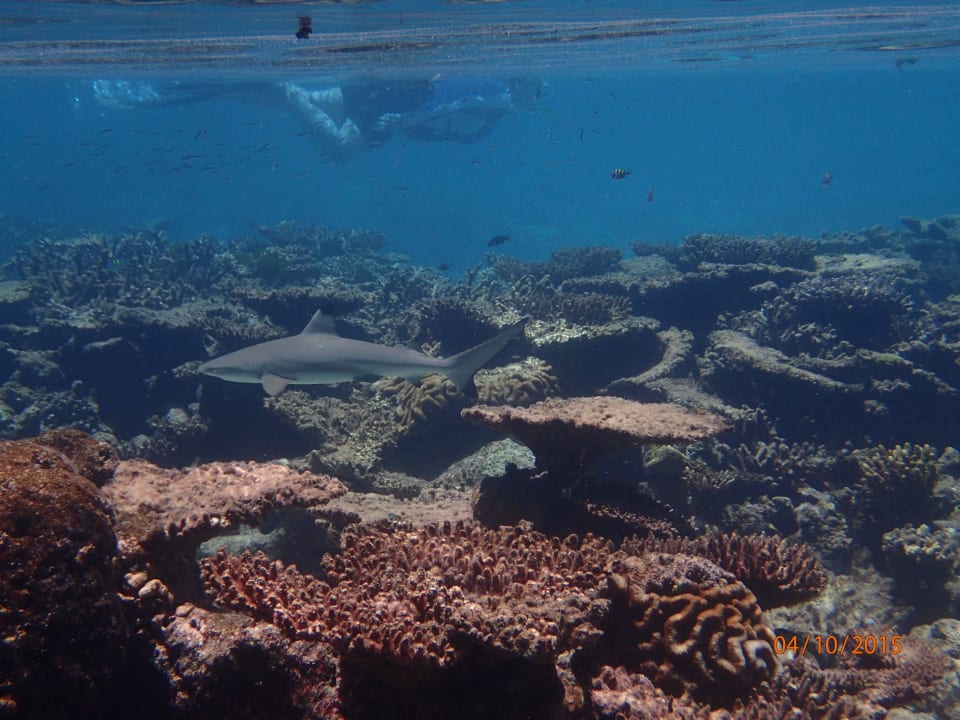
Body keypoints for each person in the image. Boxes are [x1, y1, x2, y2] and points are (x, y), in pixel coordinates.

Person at [90, 75, 545, 160]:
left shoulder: (495, 91)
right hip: (387, 108)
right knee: (341, 153)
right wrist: (403, 123)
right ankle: (286, 94)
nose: (535, 99)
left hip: (374, 92)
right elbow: (450, 103)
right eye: (536, 91)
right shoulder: (501, 95)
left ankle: (158, 93)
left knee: (258, 96)